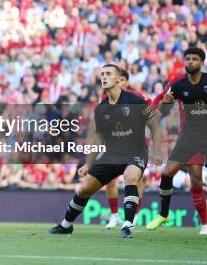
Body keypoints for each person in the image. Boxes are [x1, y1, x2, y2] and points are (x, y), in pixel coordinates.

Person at [48, 63, 164, 239]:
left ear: (119, 79)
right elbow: (98, 138)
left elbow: (155, 126)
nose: (104, 77)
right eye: (102, 74)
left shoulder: (136, 100)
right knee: (83, 190)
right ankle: (66, 225)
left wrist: (157, 151)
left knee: (130, 177)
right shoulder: (101, 108)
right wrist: (88, 163)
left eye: (108, 74)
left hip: (136, 152)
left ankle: (127, 225)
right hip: (111, 155)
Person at [146, 47, 207, 235]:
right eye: (187, 58)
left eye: (194, 59)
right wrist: (161, 104)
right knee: (170, 173)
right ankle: (166, 215)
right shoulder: (178, 84)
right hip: (189, 137)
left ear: (202, 62)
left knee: (196, 180)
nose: (190, 62)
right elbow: (161, 105)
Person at [103, 69, 149, 229]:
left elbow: (152, 117)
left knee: (137, 179)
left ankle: (134, 214)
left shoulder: (138, 98)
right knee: (108, 179)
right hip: (114, 145)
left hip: (137, 145)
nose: (119, 82)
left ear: (126, 82)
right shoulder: (106, 99)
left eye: (122, 80)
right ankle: (114, 215)